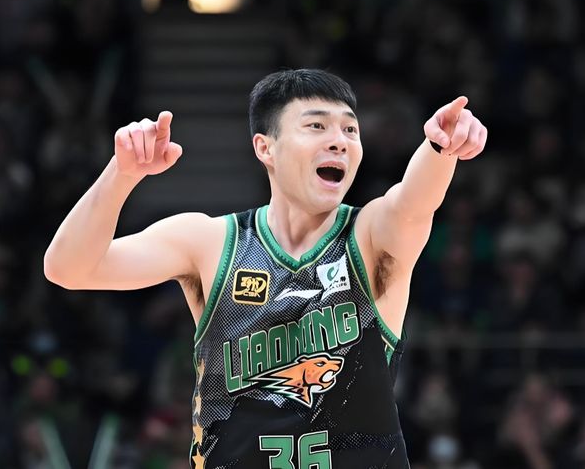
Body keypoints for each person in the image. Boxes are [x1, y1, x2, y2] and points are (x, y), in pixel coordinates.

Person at [44, 69, 487, 468]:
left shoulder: (370, 237)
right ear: (265, 147)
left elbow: (413, 203)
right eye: (316, 126)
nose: (339, 140)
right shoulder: (211, 243)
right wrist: (122, 174)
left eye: (350, 129)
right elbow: (68, 269)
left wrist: (440, 148)